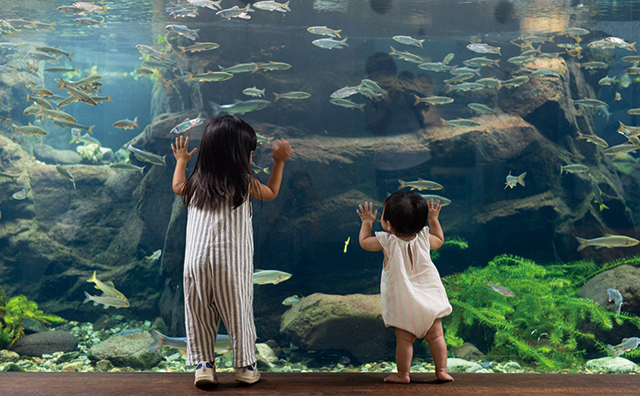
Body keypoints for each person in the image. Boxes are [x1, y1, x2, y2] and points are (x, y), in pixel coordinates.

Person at [171, 115, 294, 387]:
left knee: (200, 313)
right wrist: (279, 161)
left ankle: (204, 366)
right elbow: (272, 192)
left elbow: (176, 186)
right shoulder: (243, 182)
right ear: (241, 156)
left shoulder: (196, 182)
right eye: (250, 152)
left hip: (195, 265)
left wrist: (181, 161)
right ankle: (245, 367)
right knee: (238, 312)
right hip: (231, 265)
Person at [356, 191, 454, 383]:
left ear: (388, 224)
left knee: (404, 341)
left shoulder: (387, 242)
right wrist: (433, 220)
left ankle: (403, 374)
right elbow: (440, 239)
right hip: (430, 304)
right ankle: (441, 370)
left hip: (404, 305)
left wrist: (366, 222)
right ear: (421, 221)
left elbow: (364, 242)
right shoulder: (425, 238)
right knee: (436, 338)